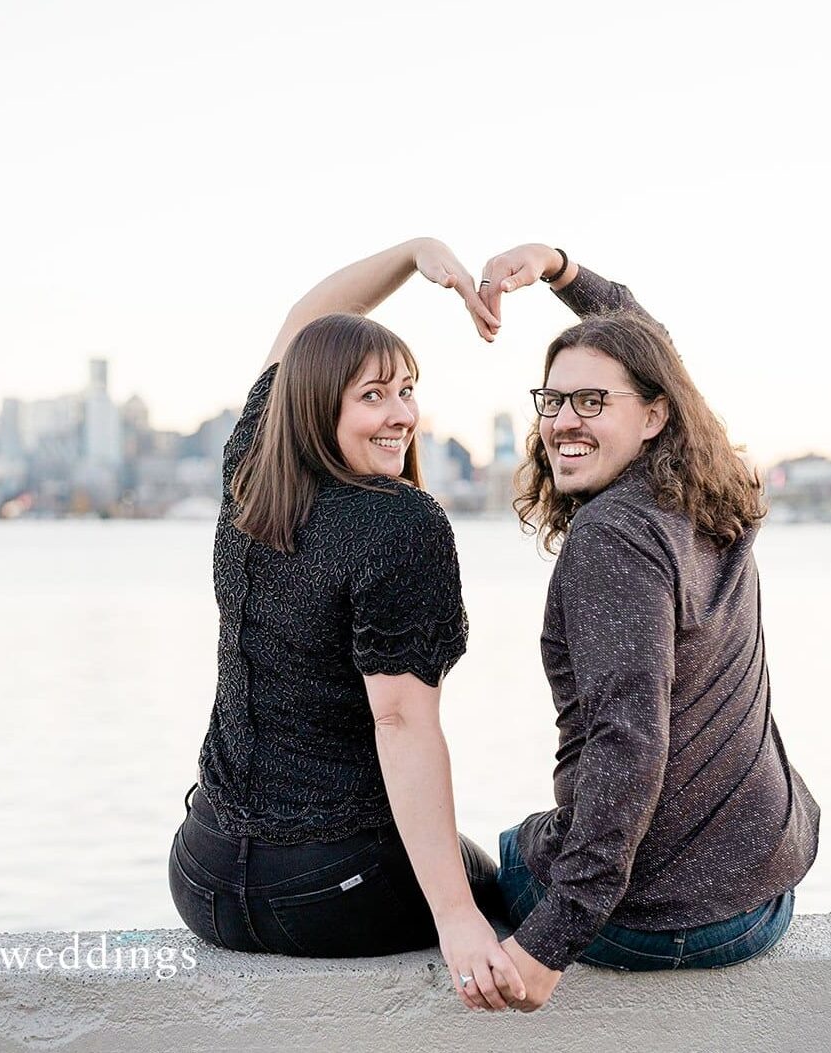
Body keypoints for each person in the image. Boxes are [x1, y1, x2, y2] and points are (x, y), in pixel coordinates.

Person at [167, 237, 526, 1011]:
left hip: (201, 879)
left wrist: (416, 255)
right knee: (515, 879)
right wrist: (459, 916)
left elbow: (310, 316)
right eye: (373, 396)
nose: (403, 415)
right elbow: (399, 721)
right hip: (327, 892)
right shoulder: (399, 525)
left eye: (407, 390)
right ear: (318, 403)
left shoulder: (247, 471)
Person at [472, 244, 821, 1011]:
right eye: (553, 400)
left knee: (497, 859)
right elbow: (650, 346)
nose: (563, 421)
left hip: (666, 919)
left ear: (656, 413)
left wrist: (547, 944)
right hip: (764, 887)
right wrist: (563, 271)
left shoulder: (614, 536)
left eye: (591, 402)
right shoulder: (709, 505)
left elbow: (629, 742)